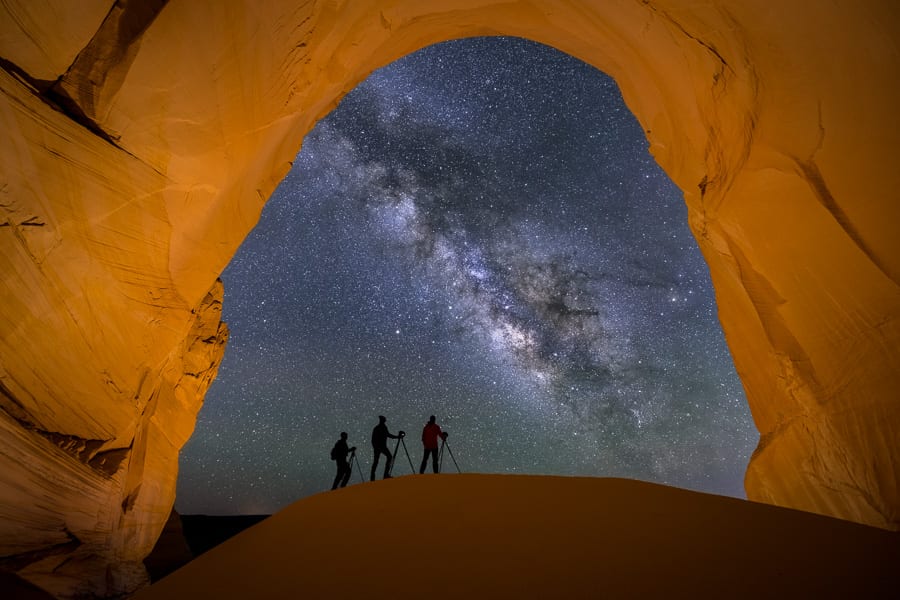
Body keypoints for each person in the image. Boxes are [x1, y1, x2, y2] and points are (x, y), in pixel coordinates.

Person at [370, 415, 402, 481]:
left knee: (377, 461)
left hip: (380, 447)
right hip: (380, 447)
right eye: (384, 420)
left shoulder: (381, 427)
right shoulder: (380, 428)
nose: (384, 421)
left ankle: (376, 477)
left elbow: (388, 435)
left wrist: (397, 437)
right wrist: (397, 437)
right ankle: (384, 475)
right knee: (387, 458)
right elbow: (388, 435)